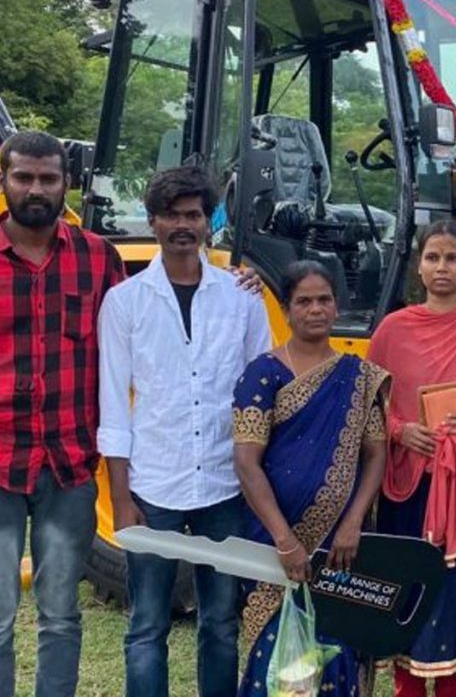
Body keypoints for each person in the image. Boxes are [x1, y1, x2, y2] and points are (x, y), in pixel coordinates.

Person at [97, 166, 271, 697]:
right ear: (153, 221)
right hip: (155, 485)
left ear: (207, 222)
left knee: (220, 621)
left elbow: (261, 392)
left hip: (224, 485)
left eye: (193, 215)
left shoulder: (241, 296)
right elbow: (114, 406)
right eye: (171, 215)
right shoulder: (125, 302)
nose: (182, 225)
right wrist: (121, 498)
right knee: (147, 625)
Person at [0, 131, 125, 697]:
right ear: (5, 181)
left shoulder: (97, 258)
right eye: (24, 177)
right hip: (0, 459)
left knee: (60, 615)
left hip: (68, 463)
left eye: (48, 178)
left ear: (66, 184)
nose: (36, 189)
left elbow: (138, 329)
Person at [233, 260, 389, 696]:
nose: (316, 309)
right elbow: (246, 462)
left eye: (324, 299)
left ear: (337, 306)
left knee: (338, 655)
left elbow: (376, 454)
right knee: (274, 660)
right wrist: (285, 541)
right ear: (286, 310)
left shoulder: (359, 377)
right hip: (272, 543)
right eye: (304, 301)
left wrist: (353, 523)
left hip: (341, 549)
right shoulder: (262, 374)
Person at [367, 219, 456, 697]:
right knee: (410, 590)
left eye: (452, 258)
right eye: (432, 257)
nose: (442, 267)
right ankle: (406, 688)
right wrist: (402, 431)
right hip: (409, 483)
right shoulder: (393, 329)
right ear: (419, 267)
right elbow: (369, 405)